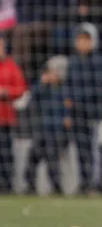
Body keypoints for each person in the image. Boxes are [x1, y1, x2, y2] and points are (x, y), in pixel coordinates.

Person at [64, 23, 102, 195]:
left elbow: (100, 89)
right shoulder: (73, 62)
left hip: (91, 113)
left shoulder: (99, 62)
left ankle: (94, 183)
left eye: (85, 40)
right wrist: (68, 109)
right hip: (76, 113)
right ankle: (83, 182)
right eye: (80, 40)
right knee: (80, 149)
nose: (82, 43)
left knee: (92, 149)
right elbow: (68, 87)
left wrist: (78, 99)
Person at [24, 55, 68, 195]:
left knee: (52, 159)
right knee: (33, 157)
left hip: (55, 131)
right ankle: (30, 185)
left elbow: (67, 111)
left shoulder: (63, 91)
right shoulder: (42, 88)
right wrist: (42, 84)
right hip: (40, 129)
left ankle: (56, 186)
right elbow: (32, 101)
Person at [0, 35, 26, 193]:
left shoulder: (12, 66)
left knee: (5, 154)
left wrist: (7, 92)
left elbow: (21, 89)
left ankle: (6, 185)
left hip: (6, 119)